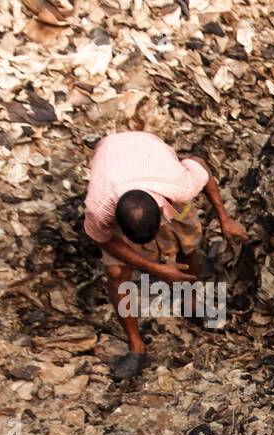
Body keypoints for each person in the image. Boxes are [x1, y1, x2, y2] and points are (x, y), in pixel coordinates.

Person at [84, 131, 249, 380]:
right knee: (116, 272)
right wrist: (155, 269)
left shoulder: (178, 186)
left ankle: (191, 300)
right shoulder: (100, 207)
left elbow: (200, 164)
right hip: (112, 159)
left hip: (149, 153)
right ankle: (137, 347)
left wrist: (225, 219)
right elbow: (103, 239)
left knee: (187, 242)